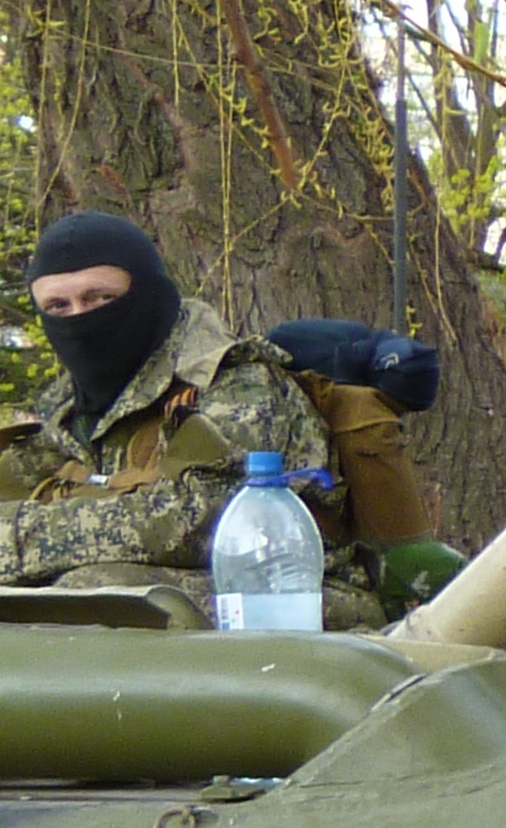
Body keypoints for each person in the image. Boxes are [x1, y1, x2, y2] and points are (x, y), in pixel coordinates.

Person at [4, 211, 360, 614]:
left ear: (147, 292)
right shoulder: (67, 410)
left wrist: (19, 538)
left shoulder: (237, 384)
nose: (80, 319)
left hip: (294, 598)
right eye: (58, 307)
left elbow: (207, 520)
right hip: (174, 600)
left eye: (99, 298)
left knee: (94, 592)